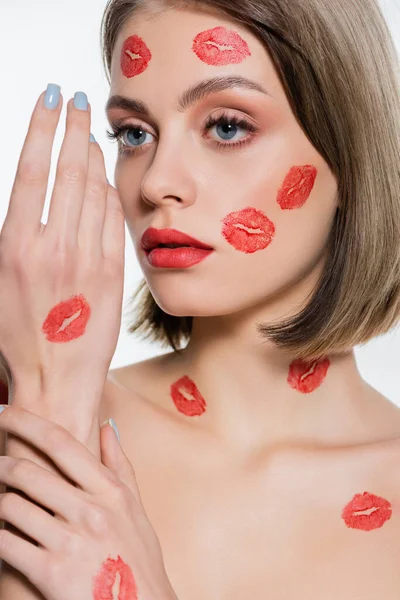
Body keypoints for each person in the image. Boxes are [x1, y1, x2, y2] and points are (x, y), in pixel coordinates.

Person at [0, 0, 400, 597]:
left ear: (351, 154)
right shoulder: (26, 413)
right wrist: (49, 402)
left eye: (227, 126)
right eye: (135, 134)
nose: (158, 180)